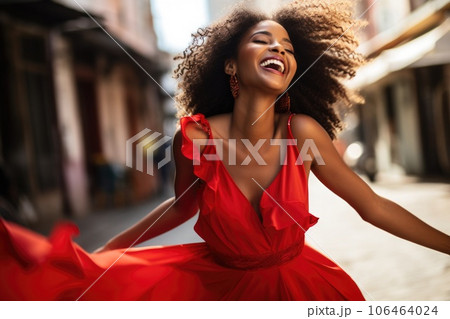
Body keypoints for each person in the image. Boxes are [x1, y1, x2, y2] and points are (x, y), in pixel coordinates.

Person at [1, 0, 449, 301]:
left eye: (288, 48)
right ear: (230, 64)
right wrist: (100, 257)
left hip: (301, 288)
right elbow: (179, 209)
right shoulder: (193, 139)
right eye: (263, 40)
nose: (278, 48)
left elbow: (372, 206)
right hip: (215, 291)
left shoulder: (304, 133)